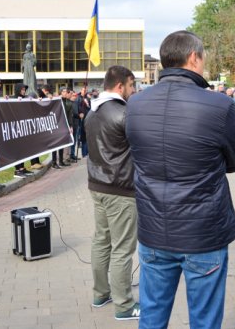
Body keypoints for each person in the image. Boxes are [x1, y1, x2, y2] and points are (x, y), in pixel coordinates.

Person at [126, 31, 235, 329]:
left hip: (154, 229)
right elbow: (233, 162)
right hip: (202, 233)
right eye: (203, 59)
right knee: (204, 321)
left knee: (151, 318)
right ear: (194, 58)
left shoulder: (136, 104)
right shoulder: (219, 105)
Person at [84, 66, 139, 321]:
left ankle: (100, 293)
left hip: (98, 186)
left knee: (101, 241)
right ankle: (124, 305)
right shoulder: (124, 113)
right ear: (120, 86)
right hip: (121, 189)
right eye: (131, 86)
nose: (134, 91)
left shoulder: (91, 112)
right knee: (122, 248)